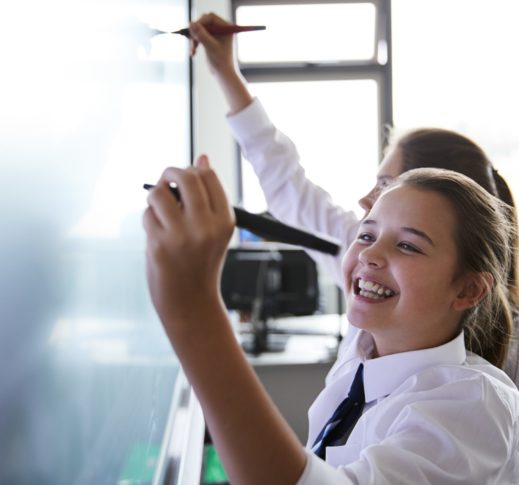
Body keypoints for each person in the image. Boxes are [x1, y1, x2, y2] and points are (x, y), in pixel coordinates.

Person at [143, 159, 519, 483]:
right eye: (366, 234)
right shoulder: (362, 351)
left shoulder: (474, 405)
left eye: (408, 245)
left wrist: (193, 313)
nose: (370, 253)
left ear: (468, 291)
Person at [187, 13, 519, 380]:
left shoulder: (470, 395)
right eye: (366, 237)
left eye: (386, 186)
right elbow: (289, 189)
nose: (366, 201)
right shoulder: (366, 255)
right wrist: (225, 71)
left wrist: (193, 305)